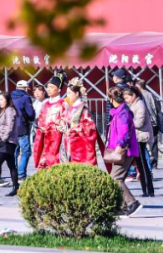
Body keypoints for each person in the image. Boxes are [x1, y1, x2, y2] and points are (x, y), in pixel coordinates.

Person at [106, 86, 142, 217]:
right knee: (117, 178)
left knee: (115, 178)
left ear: (112, 98)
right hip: (120, 149)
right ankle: (122, 206)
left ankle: (132, 203)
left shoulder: (123, 113)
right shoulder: (118, 112)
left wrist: (120, 145)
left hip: (124, 150)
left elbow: (124, 131)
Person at [123, 85, 155, 197]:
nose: (126, 100)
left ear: (133, 95)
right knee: (139, 165)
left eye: (127, 97)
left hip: (140, 137)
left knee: (142, 164)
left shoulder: (140, 104)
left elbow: (139, 123)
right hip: (135, 137)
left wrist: (127, 121)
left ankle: (149, 190)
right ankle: (145, 190)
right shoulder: (133, 104)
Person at [33, 76, 68, 170]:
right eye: (48, 87)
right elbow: (41, 120)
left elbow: (65, 122)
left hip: (57, 140)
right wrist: (41, 127)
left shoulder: (63, 103)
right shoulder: (45, 104)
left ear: (59, 89)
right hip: (45, 139)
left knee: (55, 163)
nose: (48, 89)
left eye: (52, 87)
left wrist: (54, 127)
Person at [63, 77, 98, 165]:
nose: (67, 96)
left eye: (69, 93)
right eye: (67, 93)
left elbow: (90, 127)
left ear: (77, 93)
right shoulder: (70, 107)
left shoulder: (82, 108)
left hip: (80, 145)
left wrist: (74, 129)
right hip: (70, 142)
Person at [10, 80, 36, 182]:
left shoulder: (10, 97)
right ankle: (21, 175)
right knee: (26, 152)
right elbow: (30, 114)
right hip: (22, 128)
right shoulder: (26, 98)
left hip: (11, 129)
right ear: (25, 88)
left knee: (14, 153)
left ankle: (14, 173)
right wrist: (31, 118)